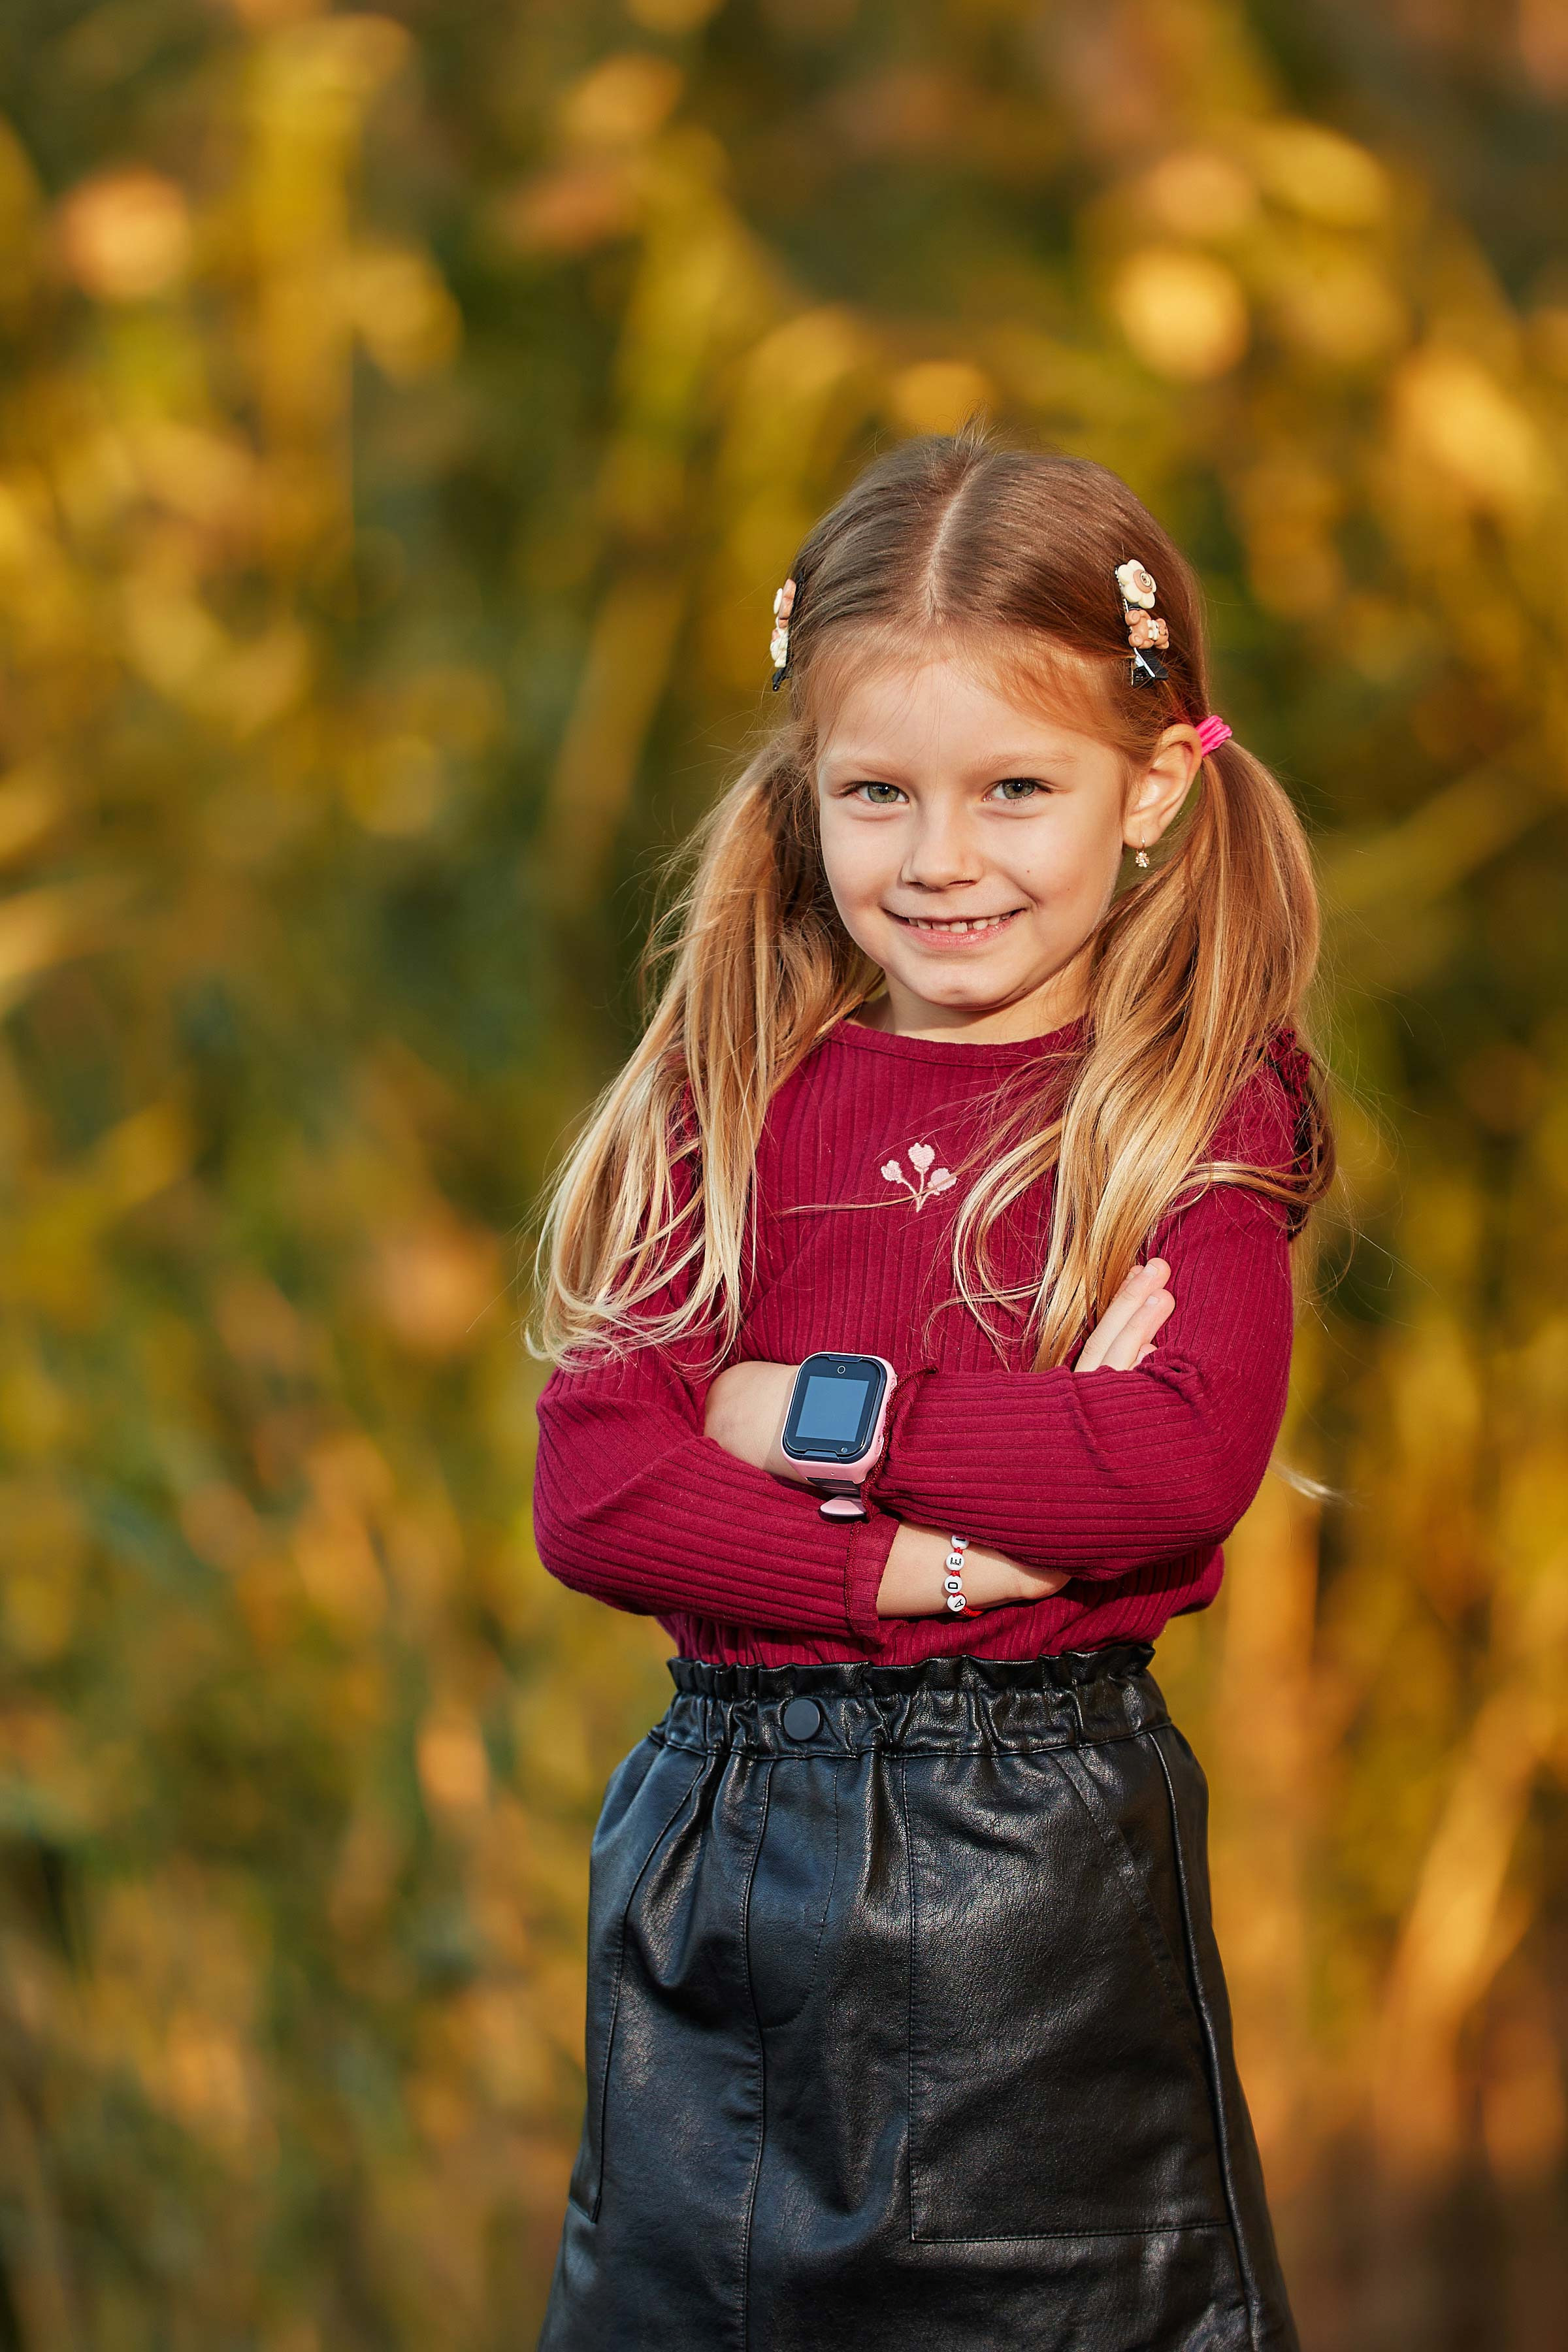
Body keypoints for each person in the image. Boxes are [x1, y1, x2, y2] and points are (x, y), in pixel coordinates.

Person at [525, 423, 1332, 2351]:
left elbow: (1167, 1463)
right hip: (715, 1864)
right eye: (878, 791)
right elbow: (601, 1495)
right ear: (806, 792)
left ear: (1150, 790)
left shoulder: (1189, 1107)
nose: (941, 858)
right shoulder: (725, 1083)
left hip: (1032, 1866)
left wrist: (815, 1412)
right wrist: (931, 1565)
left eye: (1014, 790)